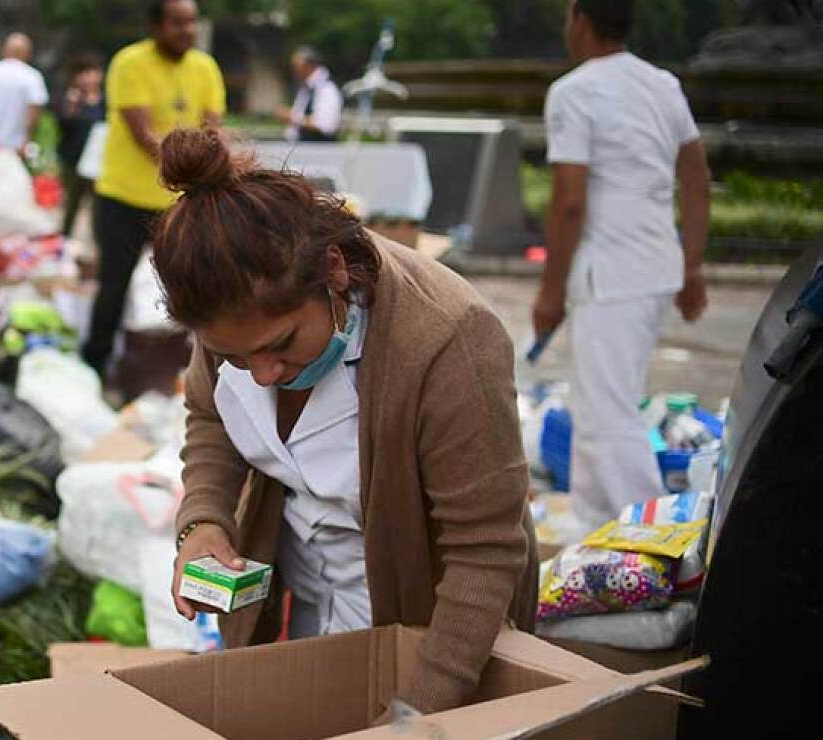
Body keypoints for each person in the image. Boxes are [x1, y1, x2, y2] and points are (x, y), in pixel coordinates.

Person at [158, 127, 537, 720]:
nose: (261, 376)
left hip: (430, 627)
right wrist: (203, 519)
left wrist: (416, 716)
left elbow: (484, 555)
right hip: (304, 600)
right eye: (237, 358)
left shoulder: (447, 340)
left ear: (334, 273)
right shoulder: (230, 311)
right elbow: (210, 420)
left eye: (281, 345)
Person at [532, 0, 710, 528]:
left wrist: (549, 293)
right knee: (596, 408)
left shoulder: (573, 92)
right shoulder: (662, 84)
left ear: (579, 20)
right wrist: (692, 265)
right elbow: (697, 179)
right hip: (654, 266)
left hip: (612, 274)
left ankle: (654, 540)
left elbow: (568, 200)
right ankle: (596, 524)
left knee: (609, 418)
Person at [84, 0, 226, 377]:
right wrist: (189, 168)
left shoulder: (205, 67)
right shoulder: (129, 62)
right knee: (112, 290)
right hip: (123, 199)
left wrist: (208, 172)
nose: (187, 30)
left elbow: (213, 129)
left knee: (195, 291)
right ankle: (95, 368)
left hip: (179, 202)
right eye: (177, 23)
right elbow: (142, 134)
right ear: (155, 26)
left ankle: (195, 375)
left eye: (191, 22)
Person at [55, 56, 105, 238]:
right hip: (72, 160)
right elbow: (62, 123)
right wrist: (72, 106)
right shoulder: (71, 99)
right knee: (70, 204)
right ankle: (64, 240)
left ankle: (95, 244)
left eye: (93, 72)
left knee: (98, 208)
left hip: (98, 162)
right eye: (84, 73)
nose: (89, 78)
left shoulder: (106, 101)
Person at [279, 46, 342, 143]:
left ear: (308, 66)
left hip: (318, 150)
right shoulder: (306, 87)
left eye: (296, 67)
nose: (294, 71)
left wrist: (292, 117)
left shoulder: (327, 88)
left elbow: (325, 125)